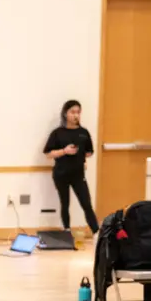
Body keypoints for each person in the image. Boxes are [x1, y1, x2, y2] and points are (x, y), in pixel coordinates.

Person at [43, 99, 99, 235]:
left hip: (78, 175)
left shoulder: (83, 132)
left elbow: (89, 151)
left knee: (86, 204)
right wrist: (64, 151)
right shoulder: (58, 133)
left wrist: (83, 157)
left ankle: (97, 232)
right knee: (65, 203)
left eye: (78, 112)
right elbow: (48, 154)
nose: (76, 115)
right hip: (61, 174)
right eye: (73, 112)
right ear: (65, 114)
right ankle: (67, 230)